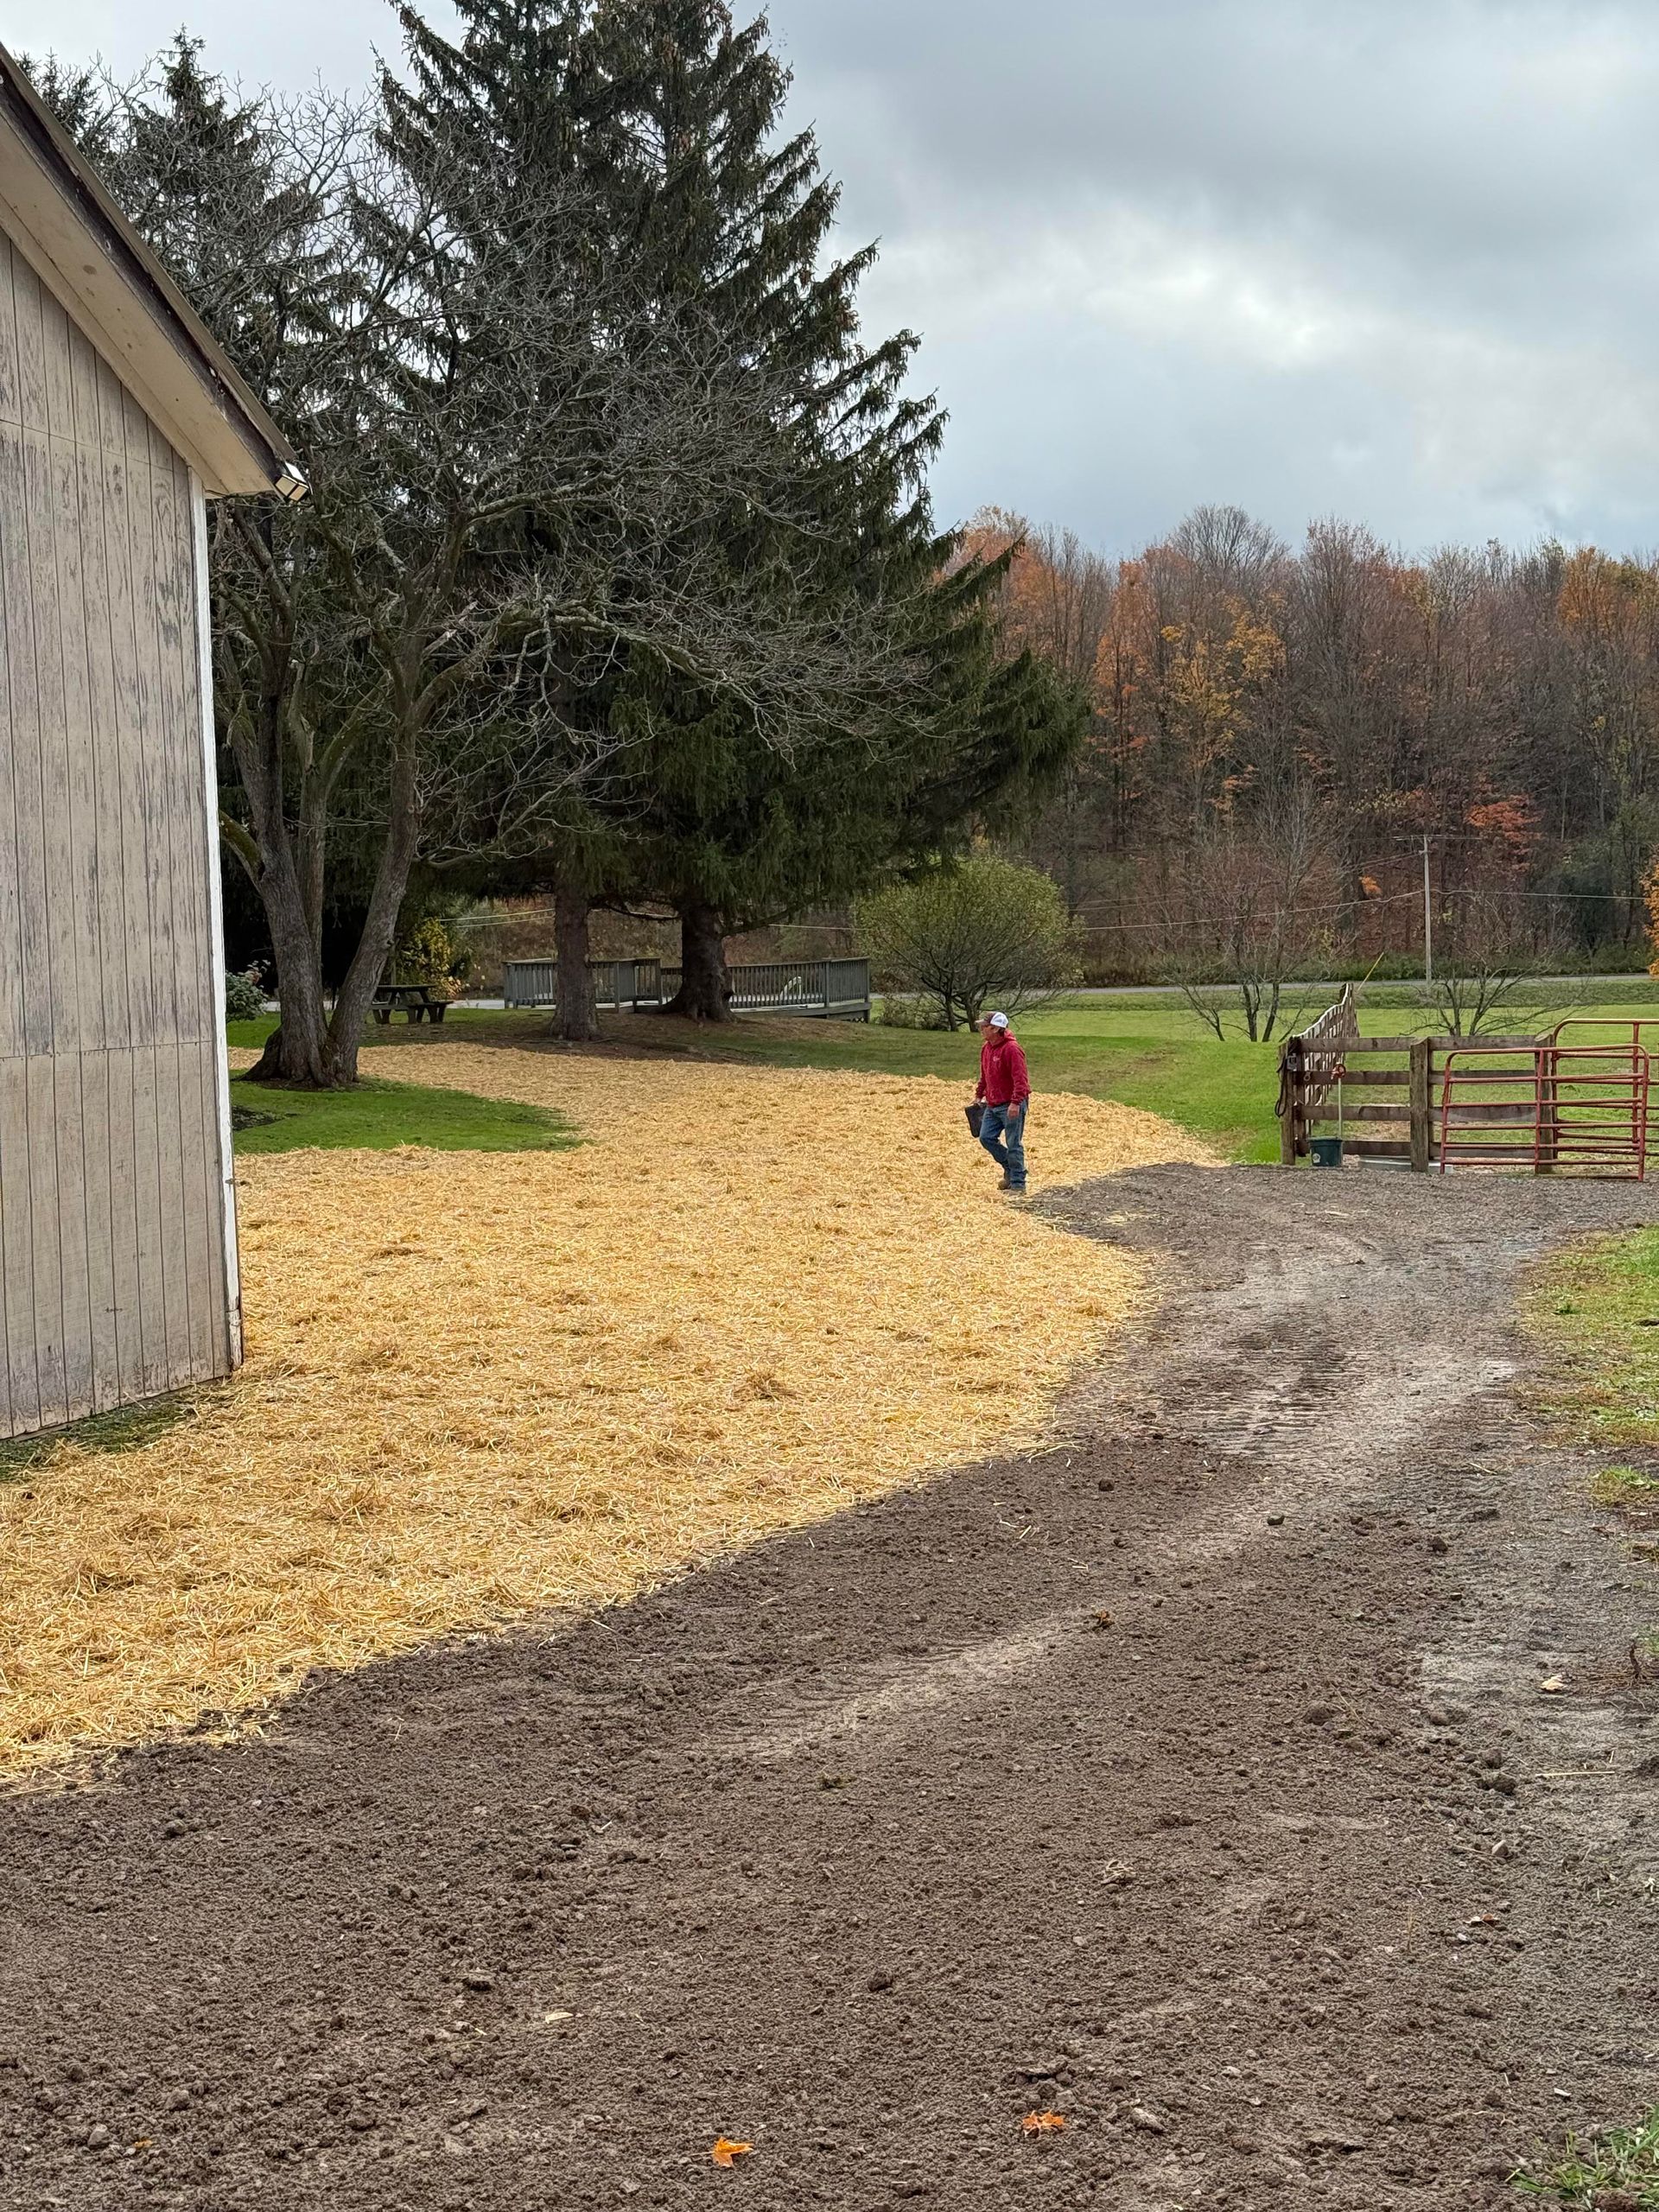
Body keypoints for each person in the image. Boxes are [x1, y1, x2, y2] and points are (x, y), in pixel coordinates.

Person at [974, 1010, 1029, 1193]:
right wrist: (979, 1095)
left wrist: (1015, 1103)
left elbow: (1021, 1080)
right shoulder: (986, 1048)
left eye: (985, 1026)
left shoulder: (1012, 1049)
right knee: (986, 1138)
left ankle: (1018, 1184)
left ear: (996, 1028)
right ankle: (1012, 1170)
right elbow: (985, 1075)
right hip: (993, 1103)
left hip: (1010, 1103)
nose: (981, 1029)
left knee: (1014, 1143)